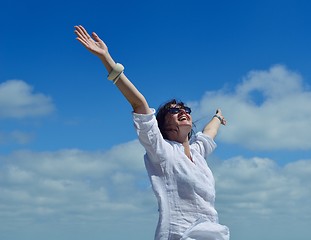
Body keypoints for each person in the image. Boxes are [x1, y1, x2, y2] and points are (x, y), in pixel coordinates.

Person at [74, 25, 230, 240]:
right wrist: (107, 59)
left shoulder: (197, 153)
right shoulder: (162, 151)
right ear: (164, 126)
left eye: (185, 109)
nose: (182, 111)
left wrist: (218, 117)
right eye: (174, 111)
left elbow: (208, 133)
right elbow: (139, 104)